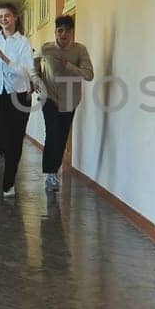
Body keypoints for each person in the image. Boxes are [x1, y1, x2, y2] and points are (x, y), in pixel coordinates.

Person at [0, 2, 40, 198]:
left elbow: (27, 71)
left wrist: (7, 61)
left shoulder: (23, 42)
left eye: (7, 16)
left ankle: (9, 184)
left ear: (15, 18)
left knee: (15, 141)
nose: (3, 19)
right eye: (0, 17)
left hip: (19, 95)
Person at [35, 14, 94, 191]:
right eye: (60, 30)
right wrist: (36, 78)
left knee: (62, 136)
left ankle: (54, 171)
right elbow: (33, 61)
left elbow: (89, 75)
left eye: (67, 31)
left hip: (70, 99)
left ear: (72, 33)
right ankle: (50, 174)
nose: (63, 34)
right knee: (52, 133)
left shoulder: (80, 50)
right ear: (55, 32)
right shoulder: (46, 49)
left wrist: (69, 66)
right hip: (49, 97)